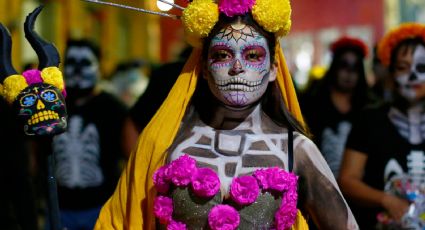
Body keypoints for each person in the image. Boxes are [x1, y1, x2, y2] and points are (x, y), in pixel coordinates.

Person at [94, 0, 357, 229]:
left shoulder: (295, 149)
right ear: (205, 68)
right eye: (222, 55)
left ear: (274, 69)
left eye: (253, 55)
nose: (237, 68)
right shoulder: (166, 142)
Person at [339, 23, 425, 229]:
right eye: (403, 67)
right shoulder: (370, 118)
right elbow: (347, 180)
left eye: (421, 68)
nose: (412, 76)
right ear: (392, 73)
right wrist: (385, 200)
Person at [49, 39, 128, 229]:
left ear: (99, 66)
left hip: (101, 207)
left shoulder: (114, 108)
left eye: (85, 63)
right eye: (71, 63)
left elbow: (129, 156)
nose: (77, 71)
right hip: (59, 208)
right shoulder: (52, 106)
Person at [300, 36, 372, 177]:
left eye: (355, 68)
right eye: (344, 65)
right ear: (334, 67)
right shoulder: (312, 103)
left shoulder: (369, 107)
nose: (349, 73)